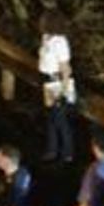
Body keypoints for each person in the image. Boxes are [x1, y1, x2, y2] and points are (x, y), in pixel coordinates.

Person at [38, 11, 75, 163]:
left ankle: (67, 152)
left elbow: (65, 68)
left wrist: (65, 90)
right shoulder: (46, 38)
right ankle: (51, 150)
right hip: (47, 80)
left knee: (60, 118)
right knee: (51, 117)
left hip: (57, 82)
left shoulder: (60, 42)